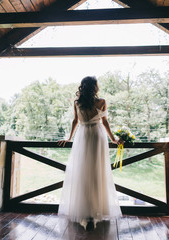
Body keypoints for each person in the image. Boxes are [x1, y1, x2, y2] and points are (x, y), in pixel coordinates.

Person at [57, 76, 122, 230]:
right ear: (94, 87)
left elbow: (75, 121)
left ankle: (85, 212)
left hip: (82, 135)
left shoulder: (77, 102)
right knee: (97, 172)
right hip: (97, 135)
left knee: (82, 172)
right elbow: (105, 122)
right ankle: (94, 212)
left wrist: (69, 137)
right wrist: (113, 139)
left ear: (82, 87)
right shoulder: (102, 102)